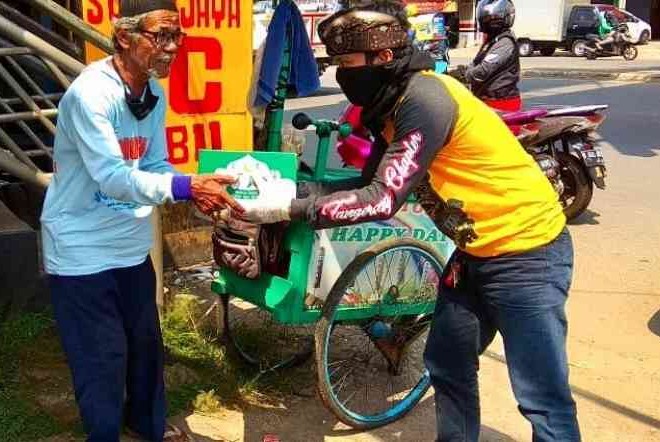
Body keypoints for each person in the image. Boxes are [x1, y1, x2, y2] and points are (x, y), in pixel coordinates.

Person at [239, 2, 581, 441]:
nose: (340, 74)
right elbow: (368, 183)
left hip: (526, 253)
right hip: (474, 252)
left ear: (383, 58)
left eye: (346, 63)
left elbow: (382, 200)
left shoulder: (424, 100)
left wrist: (289, 209)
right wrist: (288, 194)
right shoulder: (388, 105)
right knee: (448, 364)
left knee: (541, 397)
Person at [40, 1, 242, 440]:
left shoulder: (153, 93)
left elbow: (153, 163)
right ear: (123, 39)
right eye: (160, 37)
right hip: (81, 250)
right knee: (102, 358)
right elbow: (113, 177)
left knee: (146, 347)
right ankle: (105, 433)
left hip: (128, 246)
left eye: (178, 37)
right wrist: (187, 187)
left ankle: (147, 425)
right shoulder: (90, 95)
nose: (172, 48)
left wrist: (194, 194)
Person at [464, 0, 521, 112]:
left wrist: (466, 74)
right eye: (487, 18)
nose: (490, 21)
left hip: (501, 102)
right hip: (487, 100)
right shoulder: (492, 41)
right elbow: (476, 62)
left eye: (494, 18)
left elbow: (482, 71)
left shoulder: (505, 42)